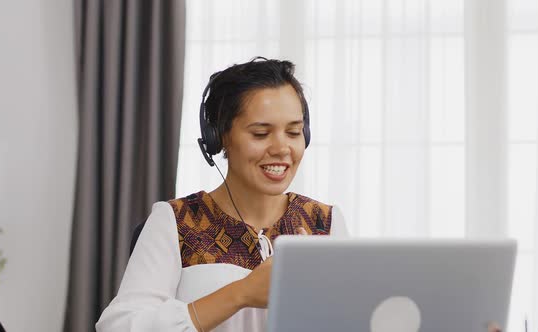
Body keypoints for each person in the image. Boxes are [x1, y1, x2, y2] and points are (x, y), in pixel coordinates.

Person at [95, 57, 349, 332]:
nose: (282, 148)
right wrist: (241, 293)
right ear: (219, 137)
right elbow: (118, 327)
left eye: (294, 132)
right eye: (261, 133)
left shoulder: (325, 222)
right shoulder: (175, 222)